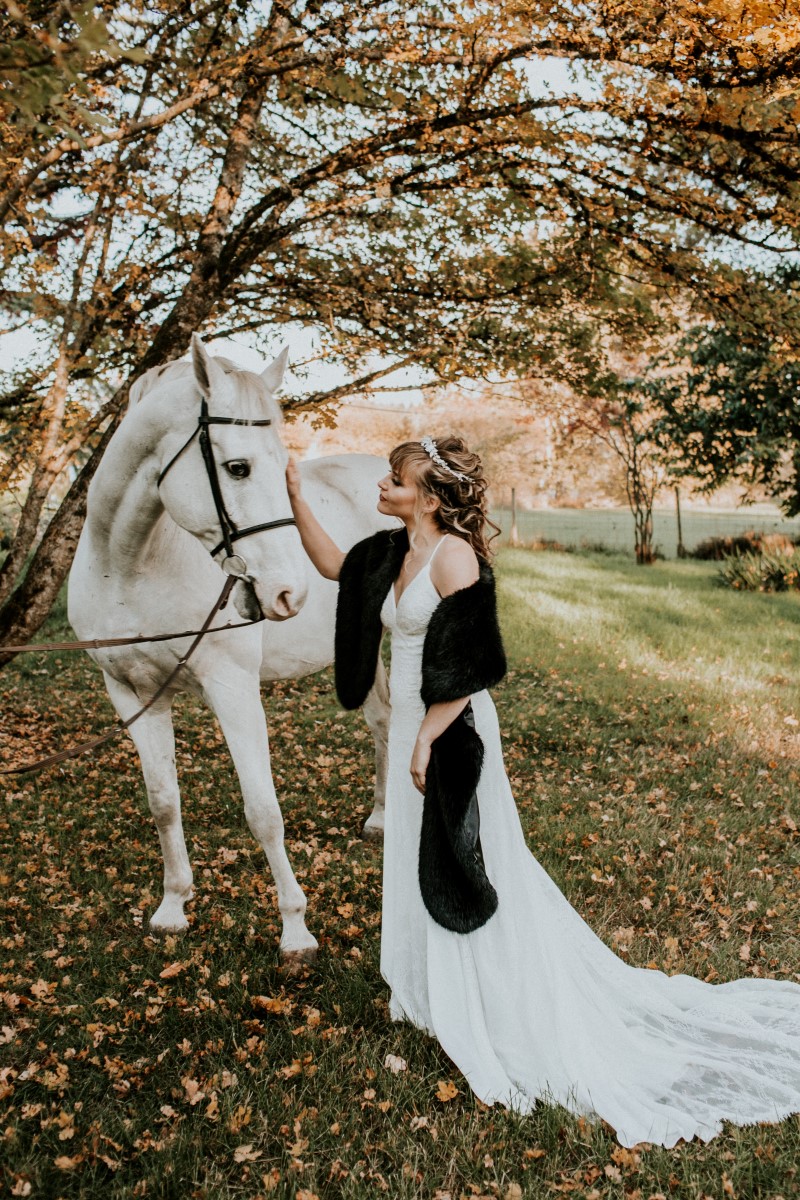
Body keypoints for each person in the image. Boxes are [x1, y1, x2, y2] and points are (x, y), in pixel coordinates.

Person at [285, 435, 800, 1149]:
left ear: (429, 497)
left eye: (395, 480)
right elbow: (335, 567)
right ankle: (437, 990)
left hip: (449, 730)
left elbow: (471, 665)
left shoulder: (453, 557)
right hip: (411, 725)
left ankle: (493, 996)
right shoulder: (392, 552)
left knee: (467, 856)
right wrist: (293, 499)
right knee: (416, 855)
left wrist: (428, 738)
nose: (382, 486)